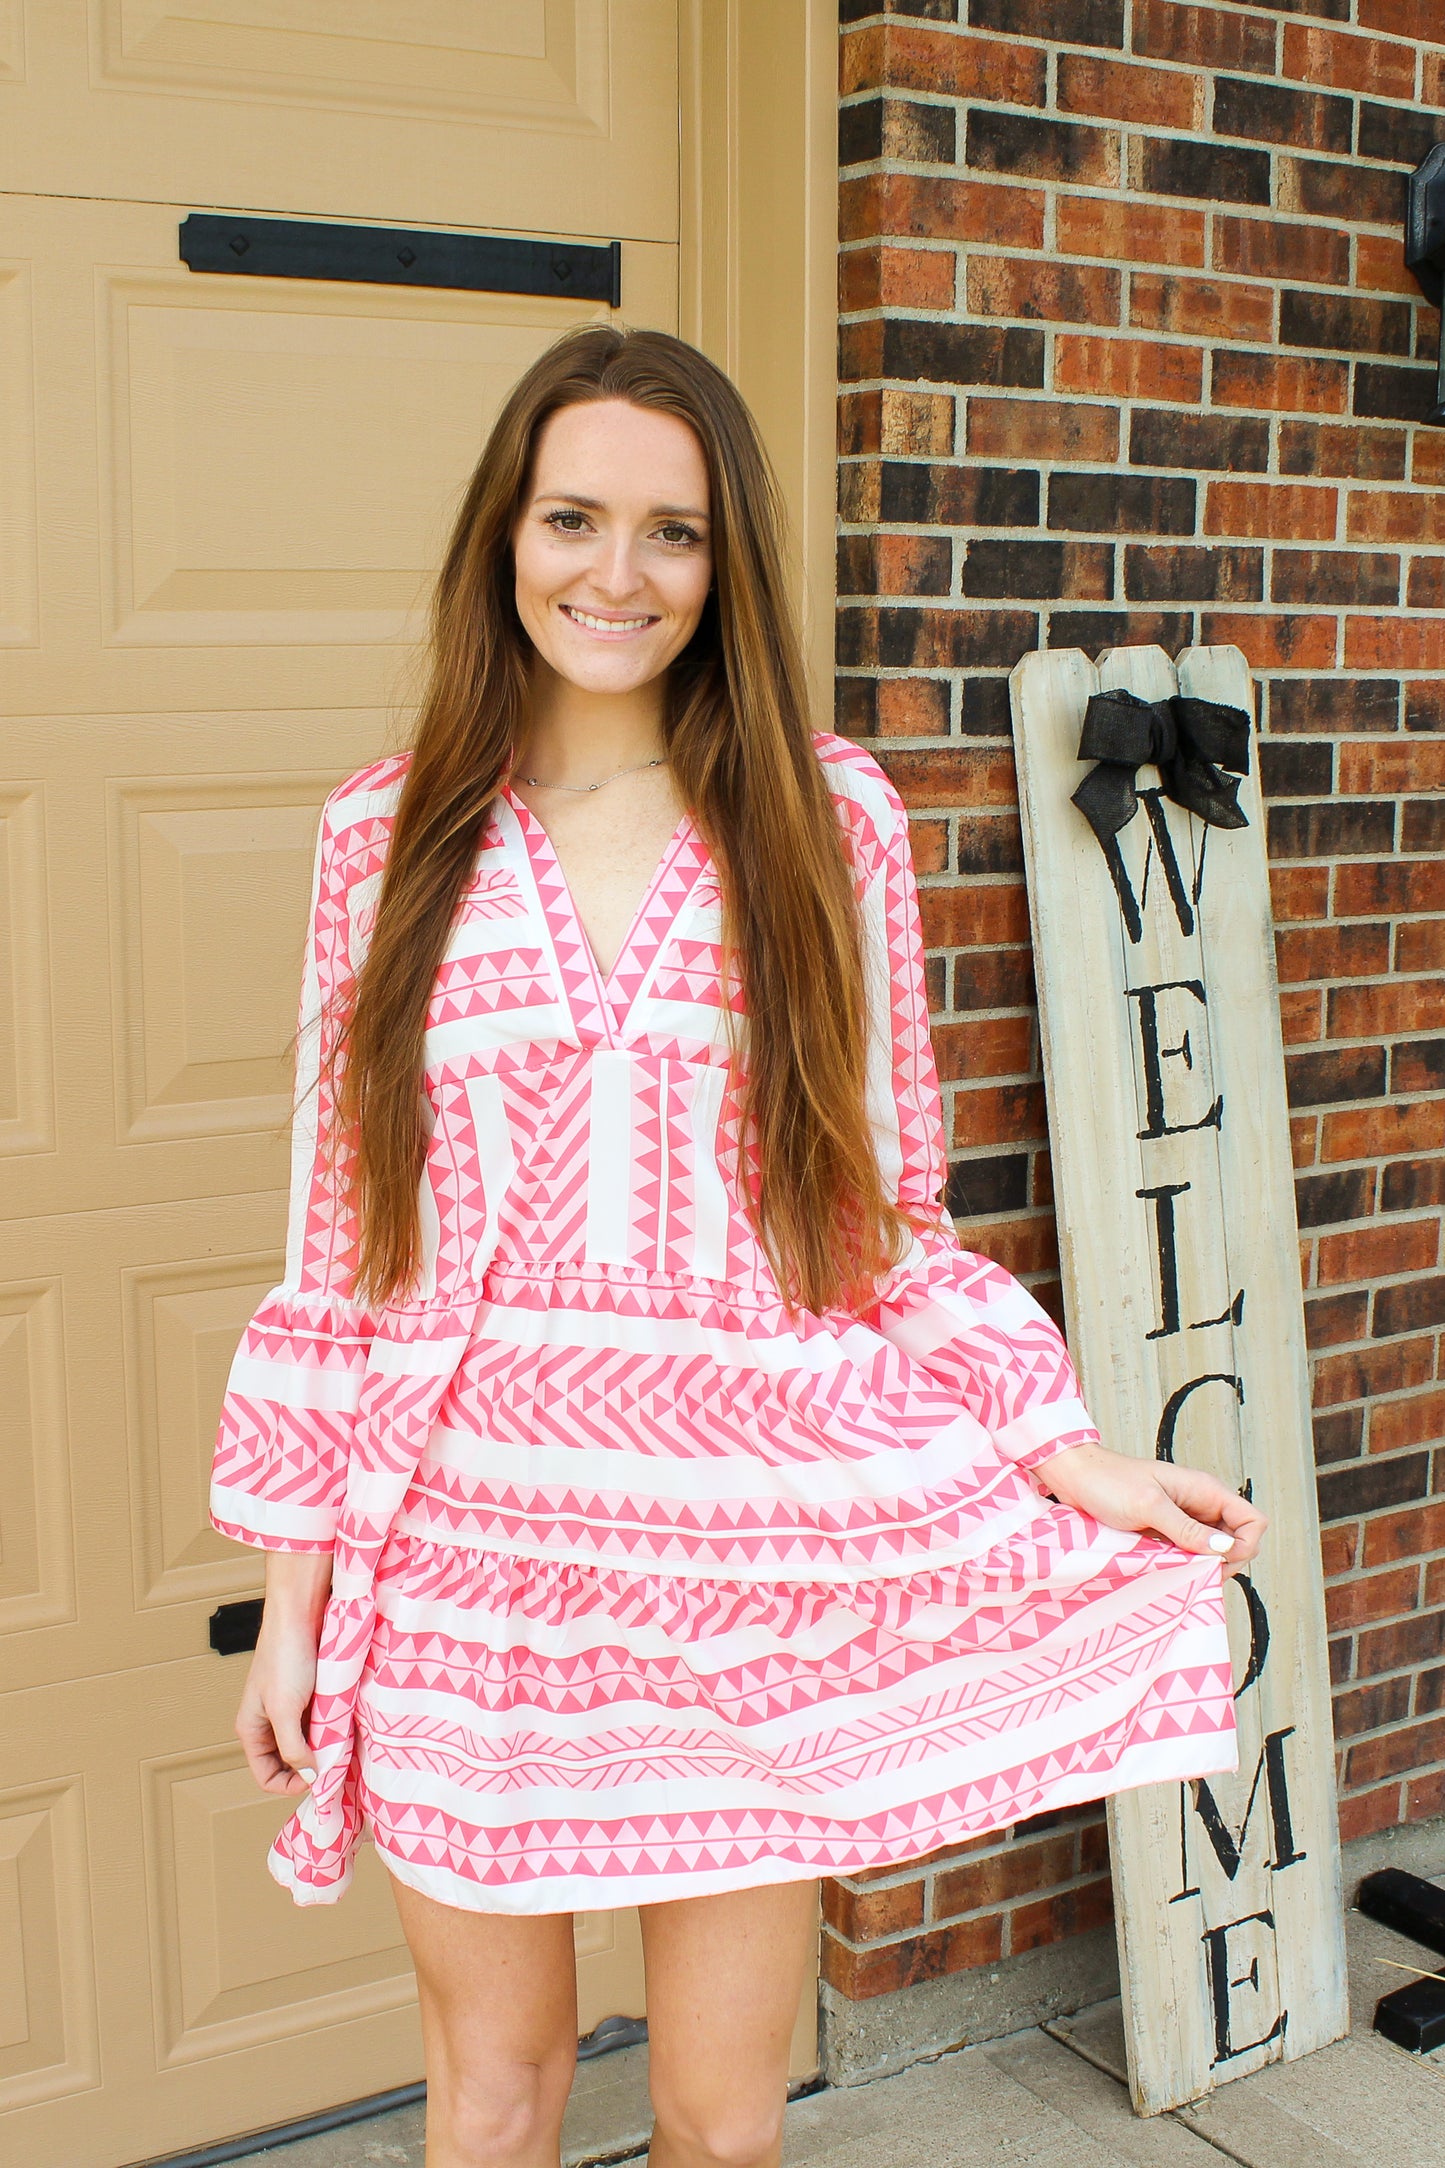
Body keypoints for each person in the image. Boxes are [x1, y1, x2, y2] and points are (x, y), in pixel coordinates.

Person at [210, 326, 1266, 2168]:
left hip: (739, 1554)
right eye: (572, 518)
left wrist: (1053, 1446)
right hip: (469, 1560)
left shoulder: (822, 814)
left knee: (716, 2120)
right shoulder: (382, 838)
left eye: (671, 533)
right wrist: (294, 1609)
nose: (616, 575)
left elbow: (881, 1207)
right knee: (497, 2089)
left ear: (727, 561)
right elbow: (340, 1234)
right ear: (501, 538)